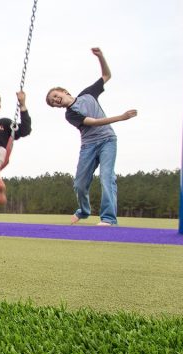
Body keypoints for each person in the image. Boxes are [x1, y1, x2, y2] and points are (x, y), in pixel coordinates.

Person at [46, 47, 137, 226]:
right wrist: (121, 117)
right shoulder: (70, 115)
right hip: (89, 146)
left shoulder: (88, 94)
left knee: (106, 177)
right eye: (53, 102)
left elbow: (106, 75)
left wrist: (101, 57)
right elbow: (94, 122)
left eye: (56, 96)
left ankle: (108, 218)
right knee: (80, 184)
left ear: (64, 91)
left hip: (108, 141)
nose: (56, 100)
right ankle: (84, 211)